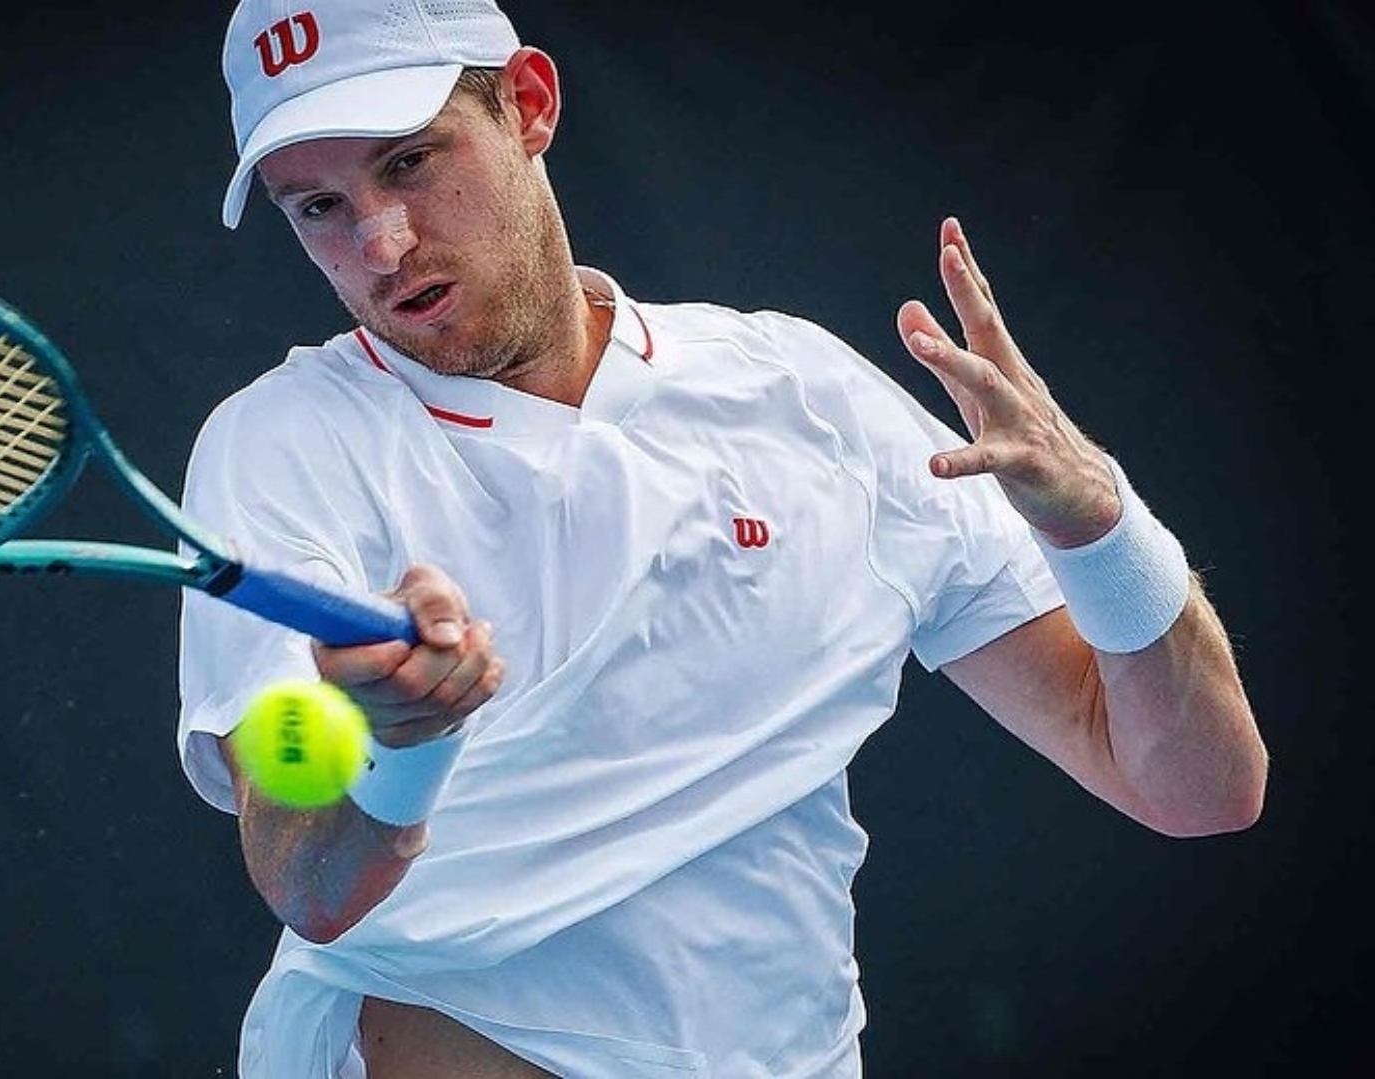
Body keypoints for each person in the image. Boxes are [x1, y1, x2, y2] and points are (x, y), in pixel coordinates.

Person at [173, 1, 1270, 1075]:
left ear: (529, 105)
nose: (380, 243)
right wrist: (393, 748)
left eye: (410, 161)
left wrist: (1103, 530)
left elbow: (1200, 787)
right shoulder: (278, 450)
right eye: (316, 205)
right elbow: (305, 878)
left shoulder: (807, 395)